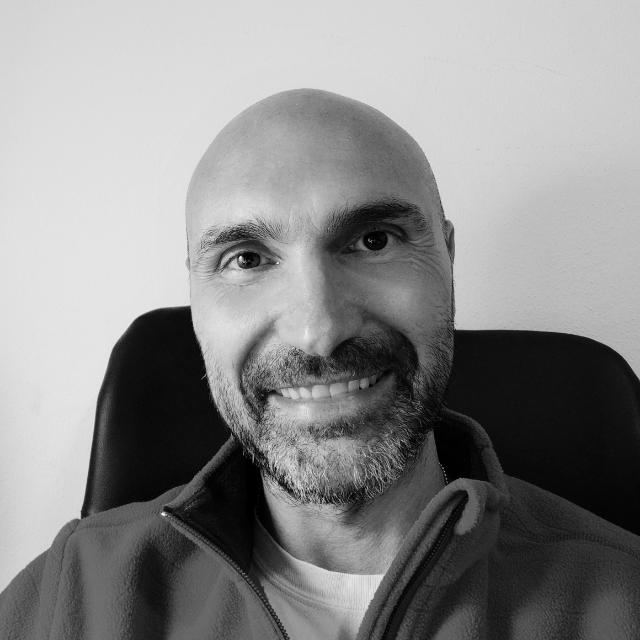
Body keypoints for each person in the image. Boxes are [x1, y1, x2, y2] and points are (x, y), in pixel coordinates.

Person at [1, 89, 639, 639]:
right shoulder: (71, 591)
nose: (319, 331)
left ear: (447, 259)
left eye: (373, 240)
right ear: (196, 295)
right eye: (247, 259)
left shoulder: (625, 599)